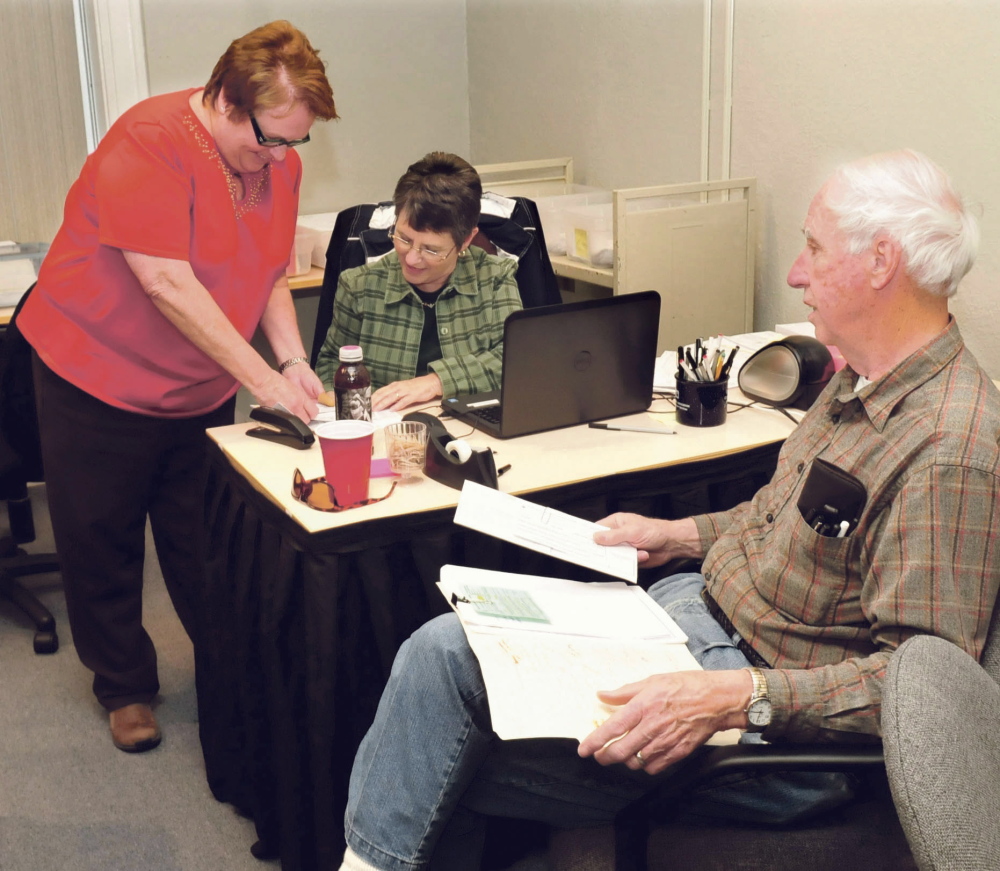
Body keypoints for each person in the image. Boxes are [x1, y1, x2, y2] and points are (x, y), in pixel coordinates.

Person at [337, 149, 1000, 871]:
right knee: (448, 661)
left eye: (812, 247)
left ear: (880, 262)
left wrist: (731, 696)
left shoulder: (947, 449)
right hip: (692, 618)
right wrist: (679, 533)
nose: (794, 273)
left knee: (439, 697)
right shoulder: (862, 383)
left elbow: (921, 699)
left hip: (761, 726)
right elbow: (783, 520)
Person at [18, 20, 337, 753]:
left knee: (205, 538)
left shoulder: (275, 165)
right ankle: (124, 685)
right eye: (270, 137)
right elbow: (164, 280)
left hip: (199, 379)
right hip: (95, 371)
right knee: (103, 535)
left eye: (297, 141)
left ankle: (227, 664)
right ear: (226, 100)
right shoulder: (149, 142)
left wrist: (290, 363)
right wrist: (260, 376)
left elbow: (266, 274)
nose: (282, 156)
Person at [315, 152, 523, 412]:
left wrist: (436, 382)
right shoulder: (359, 286)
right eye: (403, 238)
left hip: (472, 429)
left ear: (466, 240)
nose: (412, 258)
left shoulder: (495, 278)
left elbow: (516, 361)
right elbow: (329, 367)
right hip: (386, 432)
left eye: (432, 250)